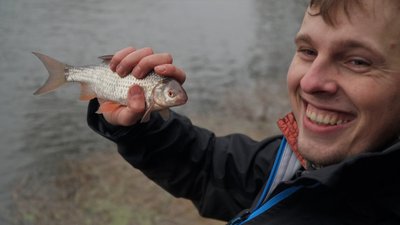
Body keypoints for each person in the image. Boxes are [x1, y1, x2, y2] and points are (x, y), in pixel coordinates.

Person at [87, 0, 400, 224]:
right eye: (307, 51)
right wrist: (139, 126)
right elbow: (208, 168)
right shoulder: (290, 164)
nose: (310, 81)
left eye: (358, 61)